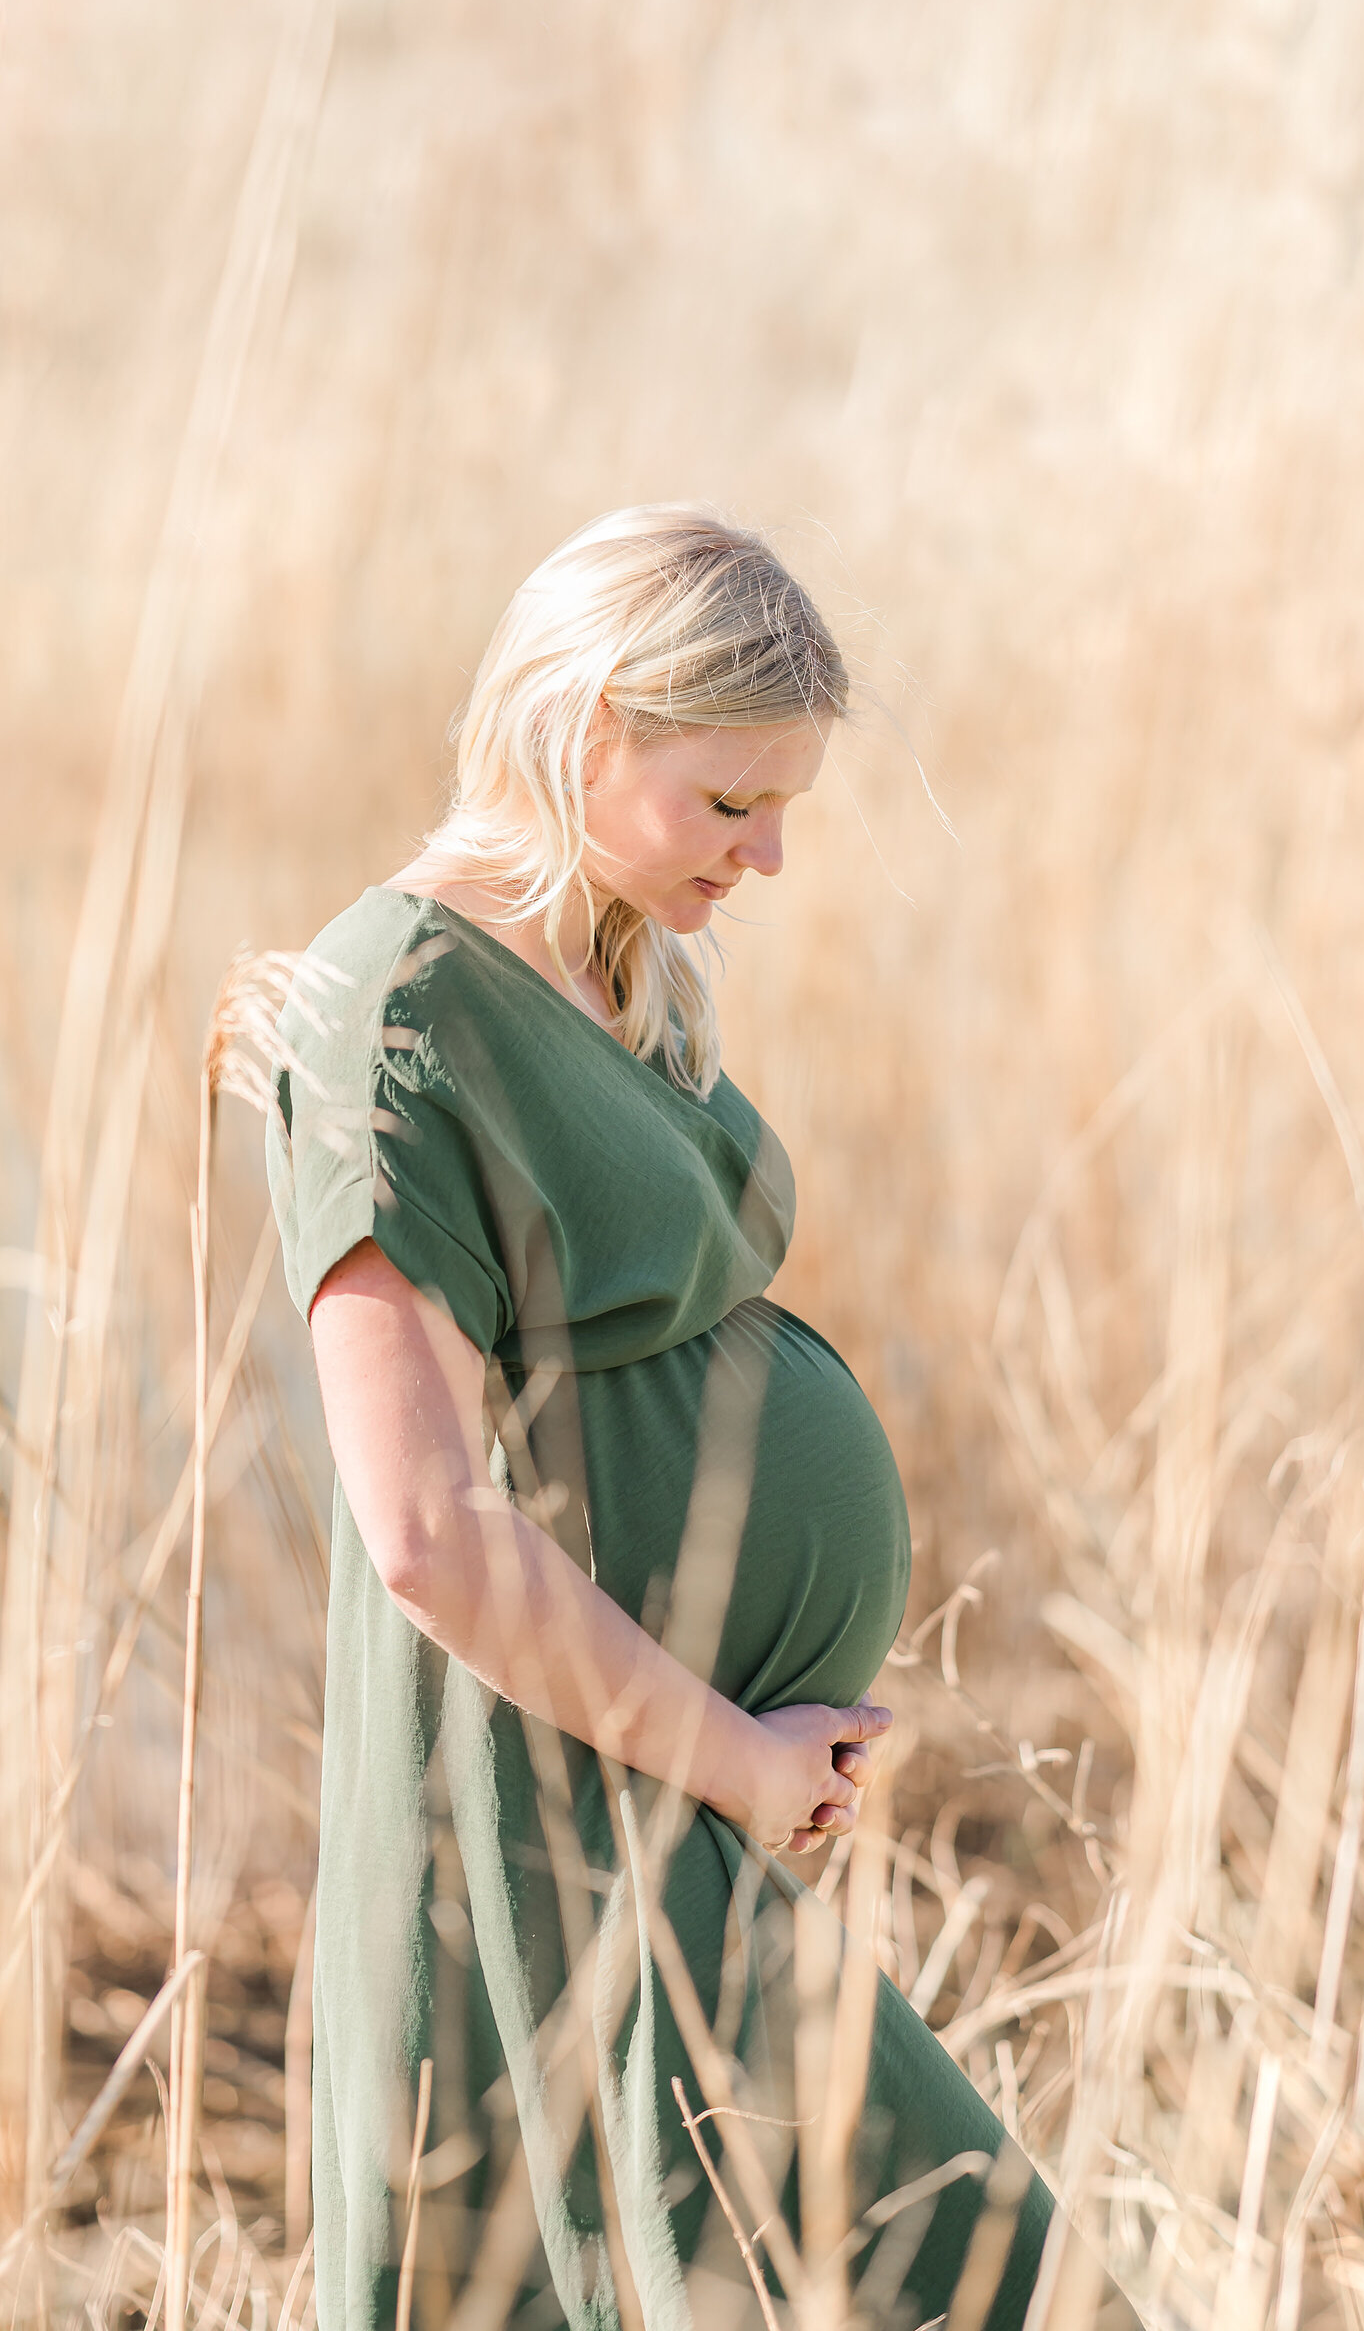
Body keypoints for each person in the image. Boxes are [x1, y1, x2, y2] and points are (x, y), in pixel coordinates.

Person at [268, 504, 1055, 2329]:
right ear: (585, 731)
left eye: (788, 808)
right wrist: (731, 1754)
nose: (771, 855)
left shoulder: (612, 961)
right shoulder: (395, 1006)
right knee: (975, 2274)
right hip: (571, 1812)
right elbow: (426, 1535)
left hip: (685, 1789)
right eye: (728, 804)